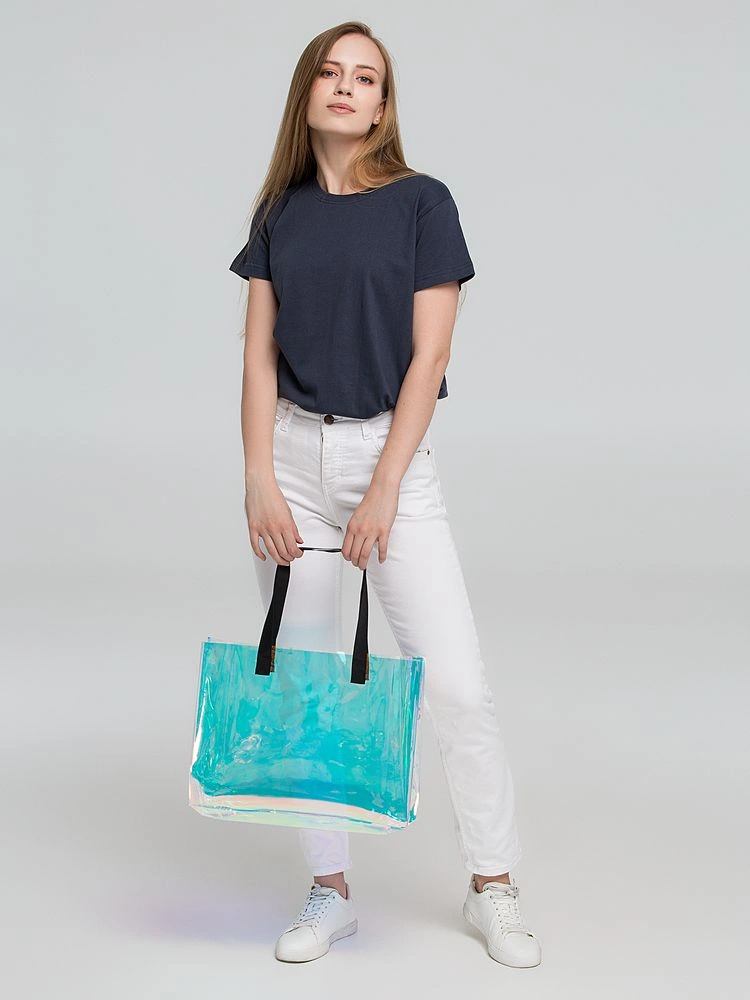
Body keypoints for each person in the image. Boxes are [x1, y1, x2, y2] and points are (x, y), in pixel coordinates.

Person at [229, 20, 542, 968]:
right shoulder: (280, 211)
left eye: (365, 77)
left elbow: (429, 358)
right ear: (308, 91)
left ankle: (493, 885)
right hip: (291, 460)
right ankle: (330, 890)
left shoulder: (421, 204)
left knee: (457, 685)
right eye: (331, 71)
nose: (346, 86)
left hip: (387, 458)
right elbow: (257, 355)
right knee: (307, 688)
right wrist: (257, 478)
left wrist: (384, 490)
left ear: (382, 104)